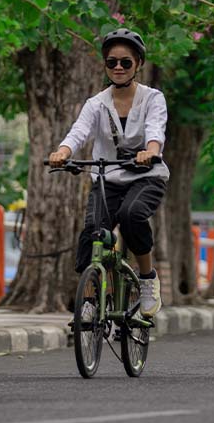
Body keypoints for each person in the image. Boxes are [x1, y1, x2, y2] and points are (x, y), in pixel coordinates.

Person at [48, 28, 169, 318]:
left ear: (138, 64)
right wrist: (63, 153)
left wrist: (150, 151)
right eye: (111, 62)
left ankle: (147, 279)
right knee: (93, 232)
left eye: (125, 62)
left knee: (131, 215)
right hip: (107, 179)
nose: (117, 67)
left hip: (147, 177)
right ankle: (90, 299)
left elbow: (156, 129)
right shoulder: (96, 103)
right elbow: (78, 132)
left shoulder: (153, 98)